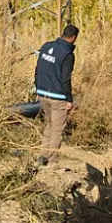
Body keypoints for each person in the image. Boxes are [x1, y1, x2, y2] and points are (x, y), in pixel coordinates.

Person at [34, 24, 79, 166]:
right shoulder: (67, 54)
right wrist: (69, 99)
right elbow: (66, 78)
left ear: (63, 34)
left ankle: (42, 156)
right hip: (58, 97)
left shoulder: (46, 46)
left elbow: (38, 69)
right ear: (74, 38)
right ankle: (52, 161)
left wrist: (37, 86)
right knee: (57, 129)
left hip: (42, 93)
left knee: (49, 124)